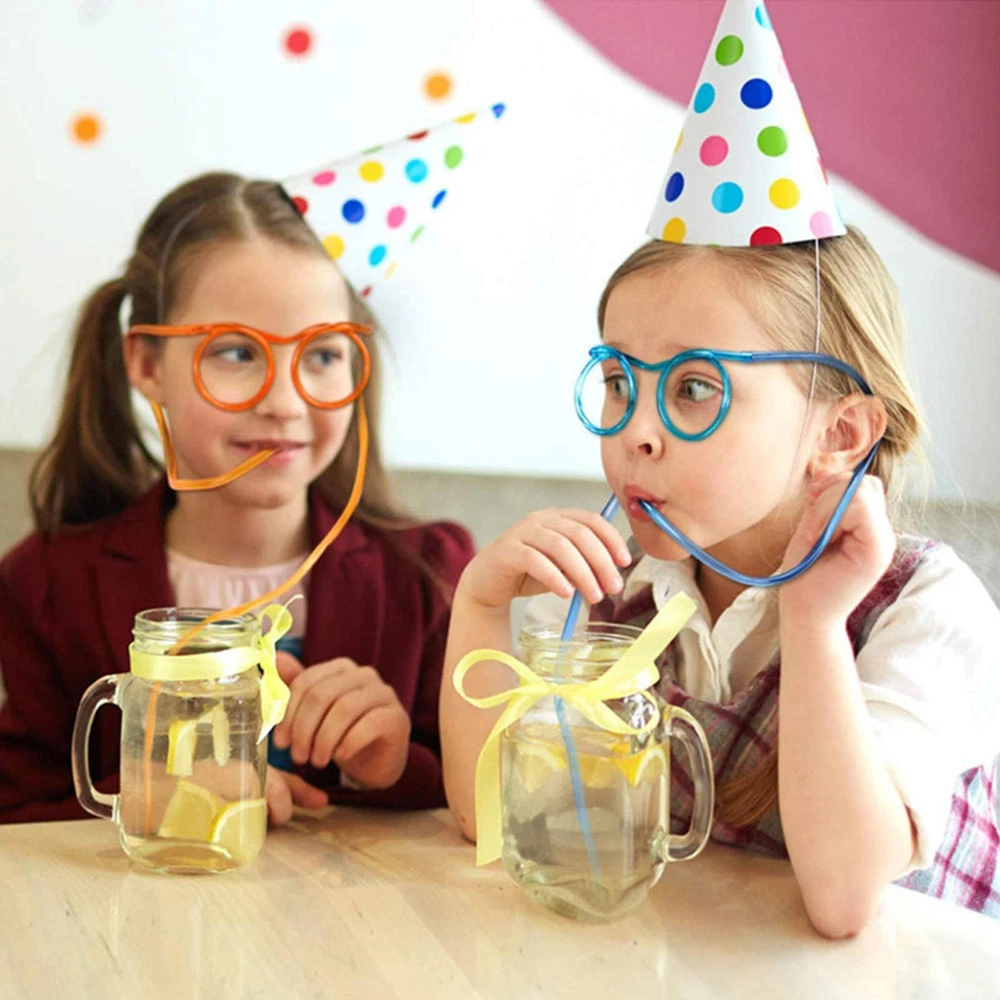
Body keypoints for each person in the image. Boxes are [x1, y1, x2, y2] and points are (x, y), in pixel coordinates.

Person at [440, 1, 1000, 937]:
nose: (635, 431)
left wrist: (811, 623)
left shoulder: (926, 612)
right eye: (619, 380)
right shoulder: (622, 601)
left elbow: (843, 899)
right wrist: (481, 604)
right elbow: (489, 823)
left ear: (839, 432)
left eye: (695, 388)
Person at [0, 107, 505, 826]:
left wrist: (394, 766)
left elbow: (488, 798)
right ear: (147, 364)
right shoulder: (48, 586)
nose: (285, 401)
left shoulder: (429, 576)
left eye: (321, 355)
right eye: (237, 352)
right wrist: (142, 796)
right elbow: (17, 813)